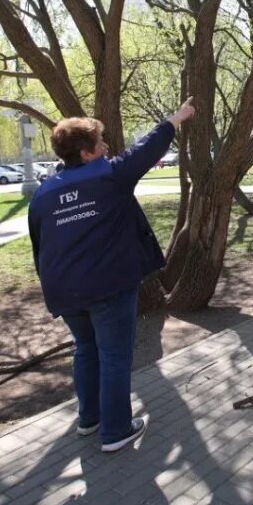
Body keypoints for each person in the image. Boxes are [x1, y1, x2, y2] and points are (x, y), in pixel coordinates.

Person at [28, 97, 196, 453]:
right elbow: (145, 149)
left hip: (65, 290)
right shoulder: (109, 175)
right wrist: (176, 117)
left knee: (85, 349)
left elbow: (39, 244)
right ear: (86, 153)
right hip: (107, 286)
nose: (107, 147)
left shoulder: (44, 193)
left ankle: (89, 419)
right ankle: (117, 430)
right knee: (114, 355)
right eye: (100, 143)